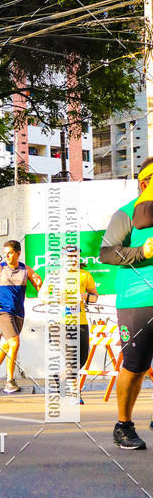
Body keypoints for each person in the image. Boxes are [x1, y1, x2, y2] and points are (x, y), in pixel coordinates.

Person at [99, 157, 153, 448]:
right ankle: (123, 426)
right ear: (144, 183)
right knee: (135, 365)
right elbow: (106, 253)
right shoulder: (127, 214)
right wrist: (141, 252)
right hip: (137, 301)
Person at [0, 239, 42, 396]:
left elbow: (41, 290)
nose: (6, 256)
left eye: (10, 253)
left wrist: (40, 284)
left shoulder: (26, 270)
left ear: (18, 253)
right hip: (2, 310)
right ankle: (10, 381)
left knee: (6, 346)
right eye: (5, 253)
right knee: (14, 343)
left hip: (18, 312)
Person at [37, 249, 98, 405]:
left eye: (75, 257)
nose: (72, 260)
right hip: (59, 322)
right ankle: (74, 393)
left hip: (81, 321)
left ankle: (58, 377)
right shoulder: (54, 275)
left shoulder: (85, 275)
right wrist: (57, 298)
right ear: (62, 259)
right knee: (72, 357)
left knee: (82, 357)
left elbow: (94, 297)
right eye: (69, 257)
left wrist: (85, 296)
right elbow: (42, 295)